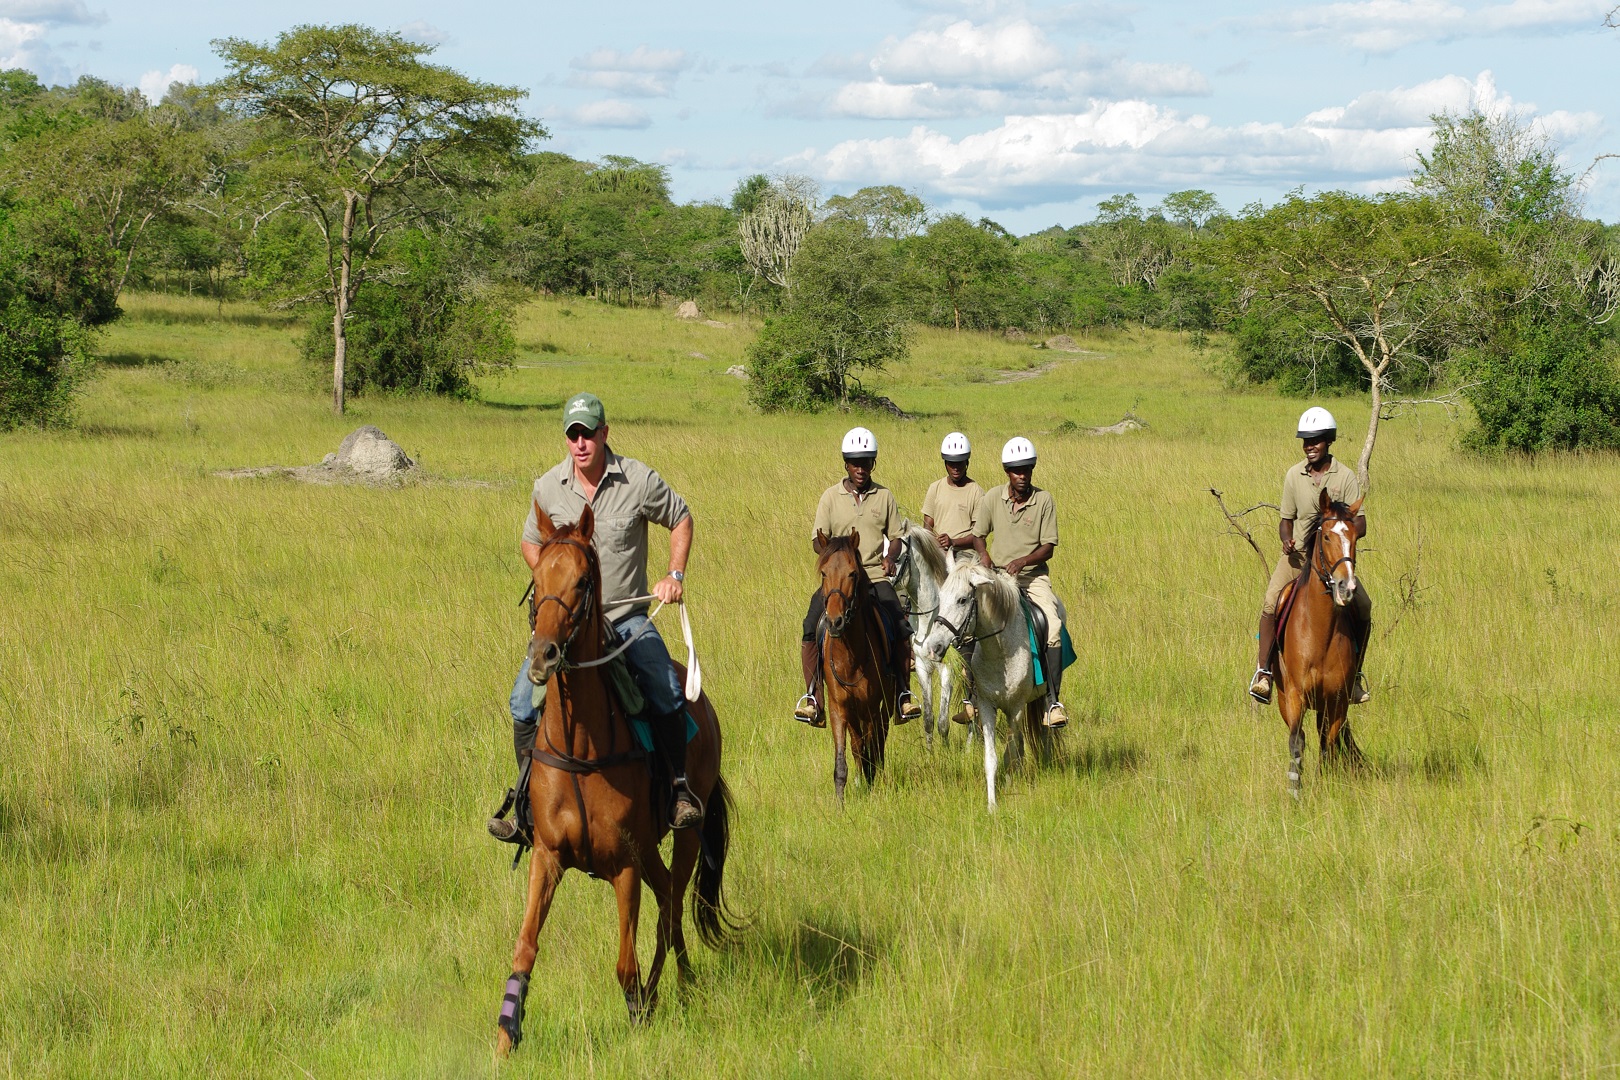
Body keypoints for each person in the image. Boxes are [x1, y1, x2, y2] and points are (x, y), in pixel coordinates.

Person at [489, 391, 702, 841]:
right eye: (573, 434)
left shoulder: (638, 480)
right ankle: (528, 808)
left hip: (626, 619)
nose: (581, 442)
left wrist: (673, 574)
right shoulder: (548, 487)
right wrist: (552, 579)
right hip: (567, 626)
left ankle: (679, 790)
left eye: (589, 433)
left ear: (605, 433)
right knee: (521, 701)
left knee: (664, 686)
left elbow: (681, 517)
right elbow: (532, 542)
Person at [793, 427, 923, 727]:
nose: (860, 468)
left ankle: (903, 693)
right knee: (810, 626)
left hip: (875, 576)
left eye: (866, 462)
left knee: (901, 627)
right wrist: (830, 551)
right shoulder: (830, 497)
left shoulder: (884, 496)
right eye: (855, 462)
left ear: (872, 464)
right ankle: (813, 697)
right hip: (839, 582)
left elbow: (896, 537)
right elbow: (817, 539)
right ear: (846, 464)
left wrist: (890, 557)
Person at [1248, 407, 1372, 706]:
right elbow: (1285, 519)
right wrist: (1286, 539)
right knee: (1269, 601)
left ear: (1328, 441)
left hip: (1333, 560)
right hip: (1299, 558)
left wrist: (1341, 533)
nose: (1309, 446)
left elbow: (1361, 523)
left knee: (1364, 606)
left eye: (1315, 440)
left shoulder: (1345, 476)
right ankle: (1263, 673)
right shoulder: (1294, 475)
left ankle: (1354, 678)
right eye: (1305, 441)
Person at [967, 437, 1070, 728]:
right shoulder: (992, 498)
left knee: (1051, 624)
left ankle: (1052, 701)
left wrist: (1023, 562)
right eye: (1016, 470)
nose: (1022, 476)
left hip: (1032, 578)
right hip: (998, 578)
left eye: (1026, 470)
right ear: (1007, 471)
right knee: (968, 618)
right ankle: (971, 696)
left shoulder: (1044, 500)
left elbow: (1048, 547)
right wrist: (984, 556)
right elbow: (978, 534)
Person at [922, 432, 984, 568]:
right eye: (951, 464)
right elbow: (927, 527)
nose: (956, 468)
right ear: (945, 463)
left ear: (967, 462)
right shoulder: (935, 488)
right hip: (937, 551)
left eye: (960, 463)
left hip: (965, 555)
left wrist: (953, 542)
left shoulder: (976, 492)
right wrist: (936, 546)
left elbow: (978, 535)